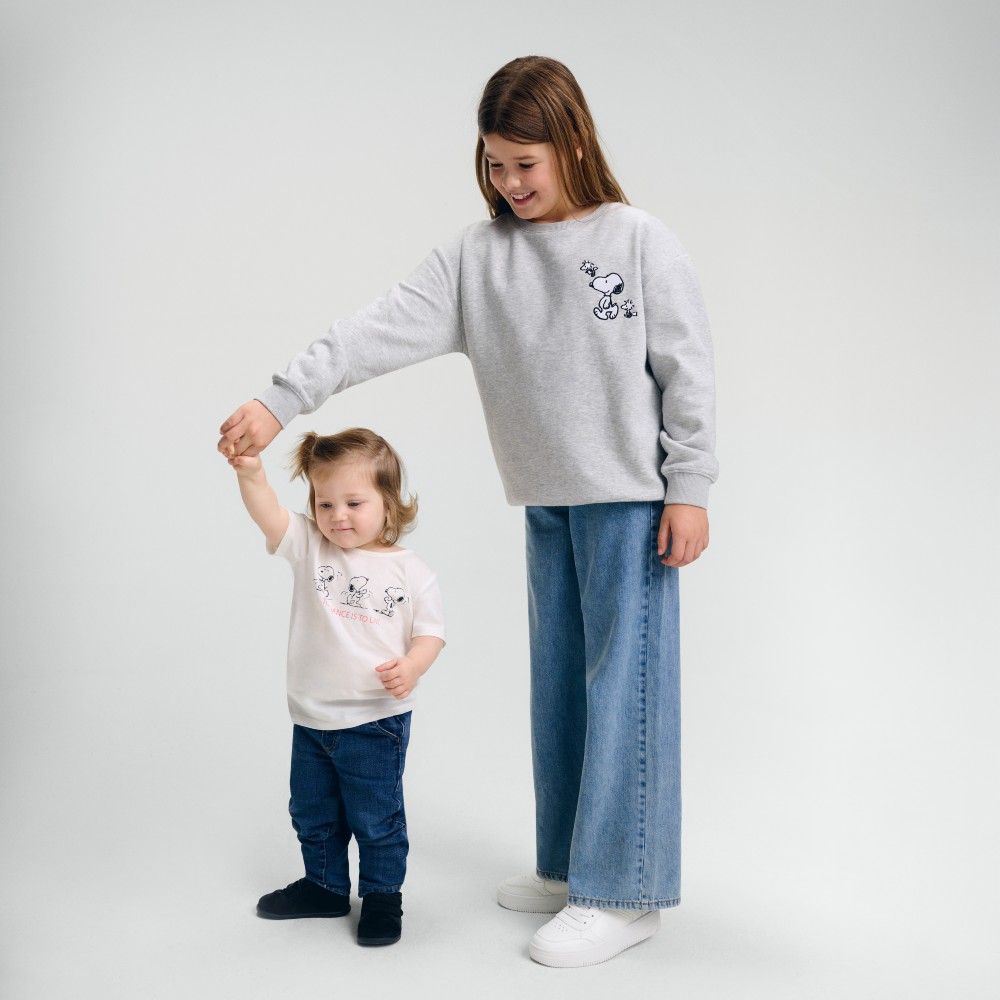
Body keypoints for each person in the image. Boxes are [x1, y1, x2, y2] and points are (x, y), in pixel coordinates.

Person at [218, 55, 717, 967]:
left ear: (572, 143)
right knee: (561, 685)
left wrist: (690, 486)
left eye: (525, 163)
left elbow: (686, 369)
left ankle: (626, 890)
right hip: (547, 502)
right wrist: (282, 399)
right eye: (494, 163)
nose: (510, 182)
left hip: (631, 503)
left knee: (625, 692)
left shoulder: (638, 240)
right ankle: (572, 868)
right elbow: (370, 329)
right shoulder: (476, 259)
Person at [227, 427, 445, 948]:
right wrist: (251, 473)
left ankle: (382, 896)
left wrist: (413, 666)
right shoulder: (310, 546)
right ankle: (324, 886)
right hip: (310, 718)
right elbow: (270, 515)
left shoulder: (411, 571)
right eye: (325, 503)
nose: (337, 515)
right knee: (313, 812)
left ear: (388, 504)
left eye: (353, 502)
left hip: (374, 722)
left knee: (376, 817)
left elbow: (431, 633)